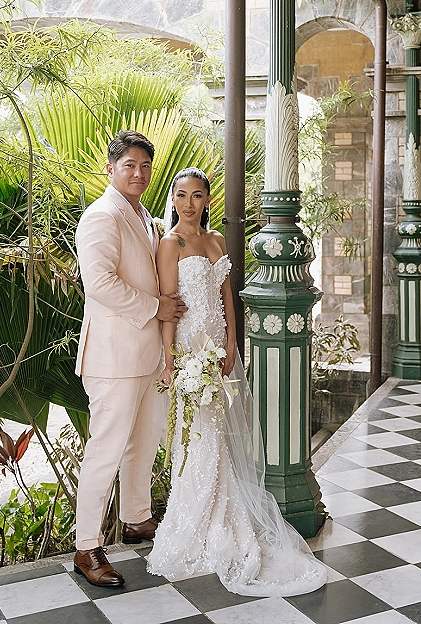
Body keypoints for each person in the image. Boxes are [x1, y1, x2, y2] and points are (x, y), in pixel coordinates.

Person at [147, 167, 327, 596]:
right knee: (198, 437)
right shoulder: (169, 245)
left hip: (217, 347)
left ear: (207, 200)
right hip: (190, 350)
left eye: (197, 196)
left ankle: (226, 516)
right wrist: (171, 361)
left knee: (223, 435)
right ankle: (198, 523)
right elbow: (171, 306)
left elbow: (228, 298)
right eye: (182, 195)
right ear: (173, 200)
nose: (189, 203)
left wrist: (232, 342)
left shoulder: (216, 242)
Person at [73, 130, 186, 588]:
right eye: (128, 166)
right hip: (114, 357)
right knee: (105, 451)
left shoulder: (144, 216)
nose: (138, 174)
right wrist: (155, 307)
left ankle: (138, 520)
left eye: (144, 166)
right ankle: (87, 548)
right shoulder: (101, 216)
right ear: (110, 168)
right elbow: (98, 284)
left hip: (148, 355)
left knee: (144, 442)